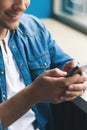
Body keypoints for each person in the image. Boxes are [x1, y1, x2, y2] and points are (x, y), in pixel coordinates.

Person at [0, 0, 87, 130]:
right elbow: (35, 92)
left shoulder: (34, 29)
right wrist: (32, 94)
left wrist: (77, 79)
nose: (21, 6)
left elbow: (67, 64)